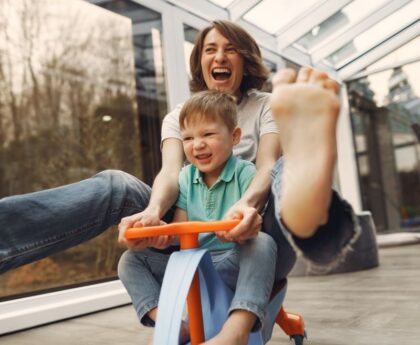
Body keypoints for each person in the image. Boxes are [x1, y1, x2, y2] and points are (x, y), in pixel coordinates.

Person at [0, 20, 359, 288]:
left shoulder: (271, 105)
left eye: (230, 49)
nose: (219, 56)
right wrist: (154, 213)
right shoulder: (177, 117)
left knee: (284, 166)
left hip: (257, 236)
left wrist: (247, 206)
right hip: (193, 236)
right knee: (116, 184)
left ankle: (309, 215)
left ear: (245, 60)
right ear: (200, 62)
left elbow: (264, 165)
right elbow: (170, 173)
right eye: (209, 49)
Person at [118, 90, 277, 345]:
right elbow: (181, 231)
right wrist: (163, 236)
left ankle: (235, 332)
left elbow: (251, 224)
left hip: (231, 260)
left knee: (264, 244)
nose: (198, 144)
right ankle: (174, 325)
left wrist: (241, 228)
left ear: (235, 136)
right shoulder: (184, 178)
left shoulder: (246, 174)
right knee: (130, 261)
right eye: (188, 138)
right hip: (192, 265)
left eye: (208, 134)